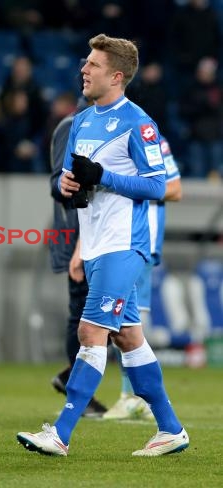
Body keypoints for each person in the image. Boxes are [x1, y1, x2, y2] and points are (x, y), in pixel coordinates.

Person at [17, 33, 189, 457]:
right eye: (84, 63)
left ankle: (59, 434)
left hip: (124, 244)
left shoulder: (139, 123)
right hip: (92, 243)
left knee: (90, 331)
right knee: (129, 338)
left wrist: (104, 178)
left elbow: (159, 186)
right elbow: (70, 179)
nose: (83, 70)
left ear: (116, 76)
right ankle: (171, 429)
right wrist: (69, 183)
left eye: (92, 65)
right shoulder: (83, 120)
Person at [104, 136, 182, 420]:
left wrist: (125, 185)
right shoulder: (109, 139)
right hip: (112, 240)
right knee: (123, 323)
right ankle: (139, 398)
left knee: (125, 324)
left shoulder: (154, 142)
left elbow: (174, 189)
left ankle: (134, 396)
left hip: (139, 242)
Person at [48, 95, 107, 418]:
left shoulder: (112, 125)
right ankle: (78, 392)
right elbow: (57, 183)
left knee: (109, 319)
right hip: (77, 235)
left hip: (106, 234)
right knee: (83, 314)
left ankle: (72, 380)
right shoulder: (71, 126)